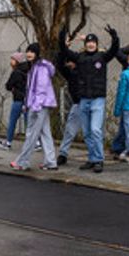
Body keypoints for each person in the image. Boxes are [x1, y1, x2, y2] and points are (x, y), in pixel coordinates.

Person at [61, 25, 120, 173]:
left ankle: (99, 160)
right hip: (83, 100)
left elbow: (113, 50)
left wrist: (114, 37)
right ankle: (92, 159)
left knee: (95, 130)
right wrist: (62, 36)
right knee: (87, 132)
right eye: (88, 41)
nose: (90, 43)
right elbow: (64, 50)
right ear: (85, 44)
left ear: (97, 44)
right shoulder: (79, 58)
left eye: (93, 41)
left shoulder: (102, 57)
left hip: (97, 99)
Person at [10, 43, 58, 171]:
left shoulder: (40, 67)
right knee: (45, 133)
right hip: (38, 104)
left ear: (37, 53)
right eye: (28, 51)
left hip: (38, 105)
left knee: (32, 134)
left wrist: (34, 105)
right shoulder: (35, 67)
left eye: (32, 51)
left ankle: (22, 161)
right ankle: (51, 162)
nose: (29, 54)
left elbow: (41, 89)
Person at [55, 30, 84, 166]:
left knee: (93, 131)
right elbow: (60, 64)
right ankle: (63, 154)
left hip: (92, 103)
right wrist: (64, 47)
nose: (69, 65)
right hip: (78, 104)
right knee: (70, 130)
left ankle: (96, 156)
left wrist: (86, 41)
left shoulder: (89, 69)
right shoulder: (71, 74)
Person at [0, 52, 30, 150]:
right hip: (27, 100)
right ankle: (36, 143)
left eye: (12, 59)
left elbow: (8, 85)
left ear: (17, 61)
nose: (11, 61)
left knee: (13, 121)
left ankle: (8, 142)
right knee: (29, 123)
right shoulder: (29, 70)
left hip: (18, 100)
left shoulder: (16, 72)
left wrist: (13, 89)